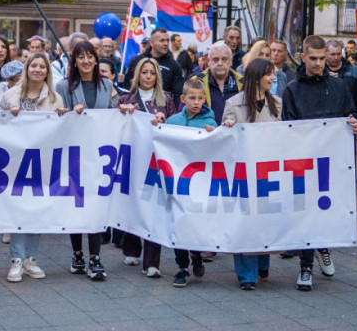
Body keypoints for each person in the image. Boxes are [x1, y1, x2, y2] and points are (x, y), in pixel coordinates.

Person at [282, 35, 357, 290]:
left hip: (332, 161)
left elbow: (351, 114)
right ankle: (306, 268)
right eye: (313, 58)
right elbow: (288, 126)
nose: (318, 63)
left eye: (322, 58)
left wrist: (353, 123)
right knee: (306, 212)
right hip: (304, 161)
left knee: (326, 208)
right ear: (302, 56)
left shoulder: (338, 87)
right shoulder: (292, 90)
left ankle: (323, 245)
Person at [56, 41, 118, 280]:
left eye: (90, 56)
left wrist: (124, 111)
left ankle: (95, 258)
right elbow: (56, 115)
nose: (86, 61)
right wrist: (68, 113)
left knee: (95, 205)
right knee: (76, 204)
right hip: (73, 154)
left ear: (96, 59)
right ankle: (77, 254)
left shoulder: (108, 85)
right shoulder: (64, 86)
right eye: (80, 57)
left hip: (98, 154)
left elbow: (112, 112)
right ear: (74, 61)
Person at [0, 52, 61, 282]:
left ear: (47, 71)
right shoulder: (10, 96)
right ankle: (16, 260)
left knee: (36, 210)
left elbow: (61, 130)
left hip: (42, 162)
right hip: (15, 162)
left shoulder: (55, 98)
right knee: (17, 210)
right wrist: (8, 115)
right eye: (33, 65)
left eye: (41, 66)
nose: (37, 69)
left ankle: (30, 259)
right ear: (26, 68)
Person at [222, 59, 282, 290]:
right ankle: (247, 274)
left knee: (264, 217)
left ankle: (262, 260)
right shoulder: (233, 104)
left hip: (267, 170)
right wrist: (227, 126)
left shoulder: (277, 102)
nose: (273, 78)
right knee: (244, 220)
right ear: (257, 76)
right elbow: (225, 138)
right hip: (242, 171)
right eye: (270, 74)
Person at [118, 57, 176, 278]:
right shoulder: (125, 98)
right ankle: (131, 248)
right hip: (133, 159)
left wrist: (165, 120)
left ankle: (152, 262)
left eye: (152, 72)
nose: (149, 76)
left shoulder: (166, 100)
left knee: (154, 207)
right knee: (133, 202)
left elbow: (174, 126)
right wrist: (122, 112)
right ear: (138, 75)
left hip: (156, 162)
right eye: (145, 72)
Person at [166, 77, 217, 286]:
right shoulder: (173, 122)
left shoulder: (210, 123)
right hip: (178, 181)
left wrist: (216, 135)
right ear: (182, 98)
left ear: (204, 98)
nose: (196, 102)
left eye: (199, 98)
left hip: (199, 182)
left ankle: (195, 254)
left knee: (194, 223)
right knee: (178, 223)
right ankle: (182, 267)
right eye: (191, 98)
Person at [122, 27, 185, 100]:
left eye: (168, 40)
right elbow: (127, 88)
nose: (166, 43)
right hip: (137, 107)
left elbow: (178, 94)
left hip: (163, 108)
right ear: (151, 43)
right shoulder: (136, 61)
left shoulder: (174, 66)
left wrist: (172, 110)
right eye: (162, 41)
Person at [196, 41, 242, 125]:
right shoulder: (196, 82)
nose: (220, 63)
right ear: (208, 61)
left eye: (224, 59)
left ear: (231, 61)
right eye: (215, 59)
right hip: (205, 134)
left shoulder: (243, 83)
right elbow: (184, 114)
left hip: (235, 135)